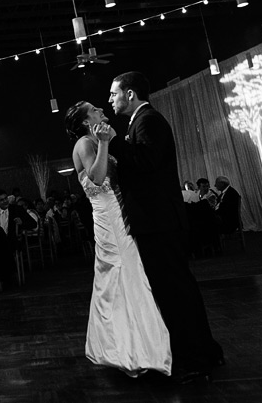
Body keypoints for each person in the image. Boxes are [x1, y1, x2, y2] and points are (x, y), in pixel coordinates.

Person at [107, 71, 224, 382]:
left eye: (114, 93)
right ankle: (206, 350)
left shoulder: (149, 120)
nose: (110, 100)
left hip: (159, 221)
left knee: (174, 292)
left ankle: (196, 360)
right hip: (156, 221)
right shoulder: (141, 122)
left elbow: (146, 162)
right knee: (177, 289)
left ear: (130, 94)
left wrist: (113, 143)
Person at [66, 100, 171, 377]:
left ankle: (136, 346)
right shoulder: (85, 145)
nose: (102, 110)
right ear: (88, 122)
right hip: (110, 219)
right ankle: (130, 351)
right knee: (122, 277)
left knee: (131, 277)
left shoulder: (97, 140)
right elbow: (98, 179)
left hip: (121, 212)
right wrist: (103, 144)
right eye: (95, 110)